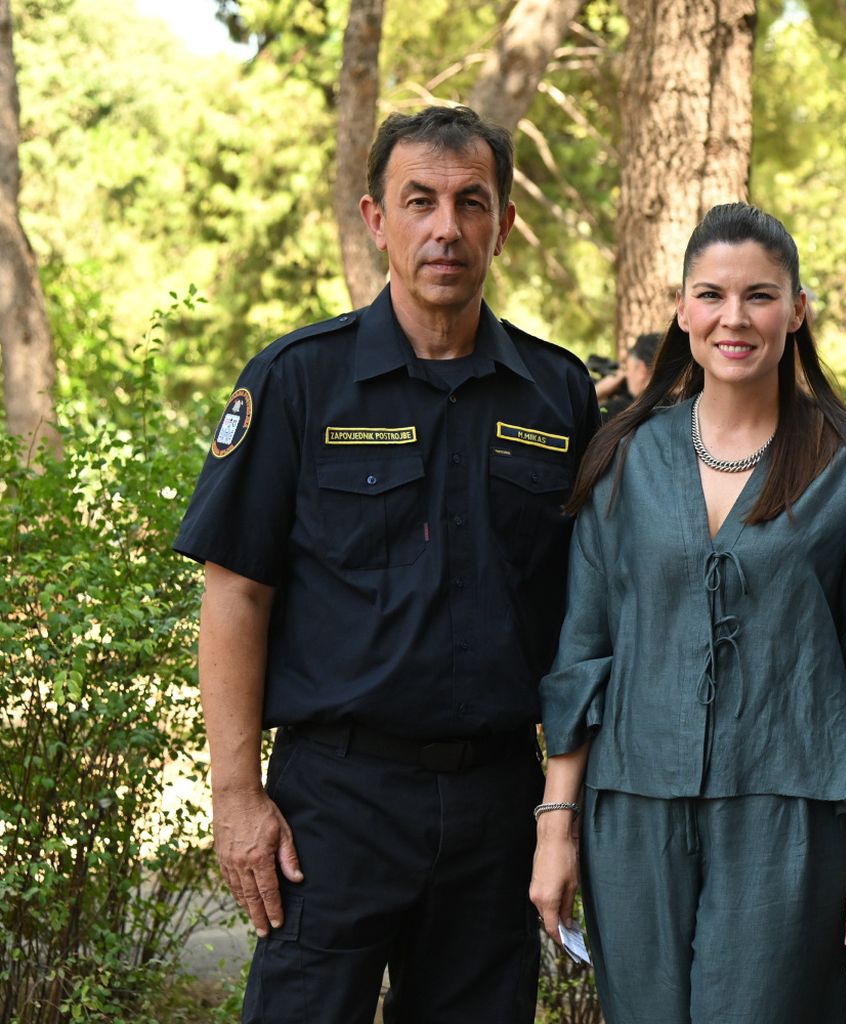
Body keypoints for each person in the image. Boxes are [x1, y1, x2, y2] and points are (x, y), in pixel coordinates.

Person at [173, 105, 599, 1022]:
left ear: (503, 225)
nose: (447, 228)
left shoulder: (557, 394)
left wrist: (566, 810)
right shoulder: (299, 380)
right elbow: (236, 592)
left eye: (471, 202)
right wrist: (237, 795)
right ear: (376, 219)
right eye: (419, 202)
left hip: (497, 802)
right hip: (335, 803)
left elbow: (592, 615)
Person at [530, 202, 846, 1023]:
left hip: (793, 814)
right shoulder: (625, 456)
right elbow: (583, 651)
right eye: (712, 294)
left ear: (797, 310)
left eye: (760, 295)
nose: (735, 317)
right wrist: (557, 826)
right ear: (682, 310)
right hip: (633, 810)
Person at [595, 331, 661, 420]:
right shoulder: (677, 403)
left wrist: (597, 391)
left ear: (641, 369)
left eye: (627, 369)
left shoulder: (622, 410)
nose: (626, 376)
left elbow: (580, 422)